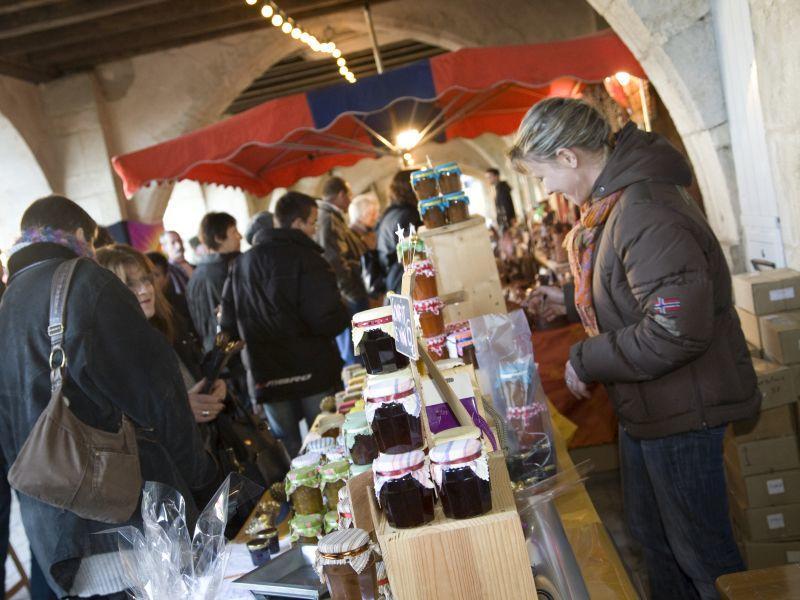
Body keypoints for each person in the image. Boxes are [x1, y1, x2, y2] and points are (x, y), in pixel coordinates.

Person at [509, 98, 759, 600]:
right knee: (659, 544)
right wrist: (570, 300)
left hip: (686, 411)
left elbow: (674, 331)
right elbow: (641, 288)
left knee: (705, 561)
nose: (548, 190)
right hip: (654, 408)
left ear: (567, 157)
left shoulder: (644, 208)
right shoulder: (618, 205)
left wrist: (585, 357)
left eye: (542, 177)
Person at [0, 195, 217, 599]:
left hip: (58, 542)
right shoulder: (86, 282)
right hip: (133, 532)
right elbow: (160, 397)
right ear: (82, 234)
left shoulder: (6, 305)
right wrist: (200, 482)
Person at [221, 192, 349, 456]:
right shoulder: (309, 259)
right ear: (297, 223)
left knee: (291, 453)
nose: (315, 230)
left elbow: (227, 326)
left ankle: (304, 496)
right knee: (328, 446)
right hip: (312, 371)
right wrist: (343, 313)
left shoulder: (241, 264)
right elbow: (327, 320)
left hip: (267, 376)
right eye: (313, 222)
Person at [98, 245, 227, 424]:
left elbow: (194, 371)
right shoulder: (108, 350)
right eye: (129, 284)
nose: (144, 289)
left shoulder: (169, 321)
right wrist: (178, 409)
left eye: (145, 280)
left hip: (207, 440)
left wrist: (215, 384)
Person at [316, 177, 369, 365]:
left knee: (360, 349)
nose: (350, 199)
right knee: (357, 353)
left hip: (347, 294)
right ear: (340, 195)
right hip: (347, 297)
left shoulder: (332, 217)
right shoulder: (328, 218)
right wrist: (353, 295)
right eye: (349, 195)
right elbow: (335, 261)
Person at [187, 212, 242, 353]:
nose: (240, 236)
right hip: (234, 352)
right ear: (218, 238)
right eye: (234, 232)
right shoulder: (229, 270)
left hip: (212, 353)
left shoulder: (195, 275)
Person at [375, 169, 423, 294]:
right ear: (413, 187)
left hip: (394, 278)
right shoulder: (409, 215)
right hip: (406, 281)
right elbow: (414, 255)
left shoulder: (389, 214)